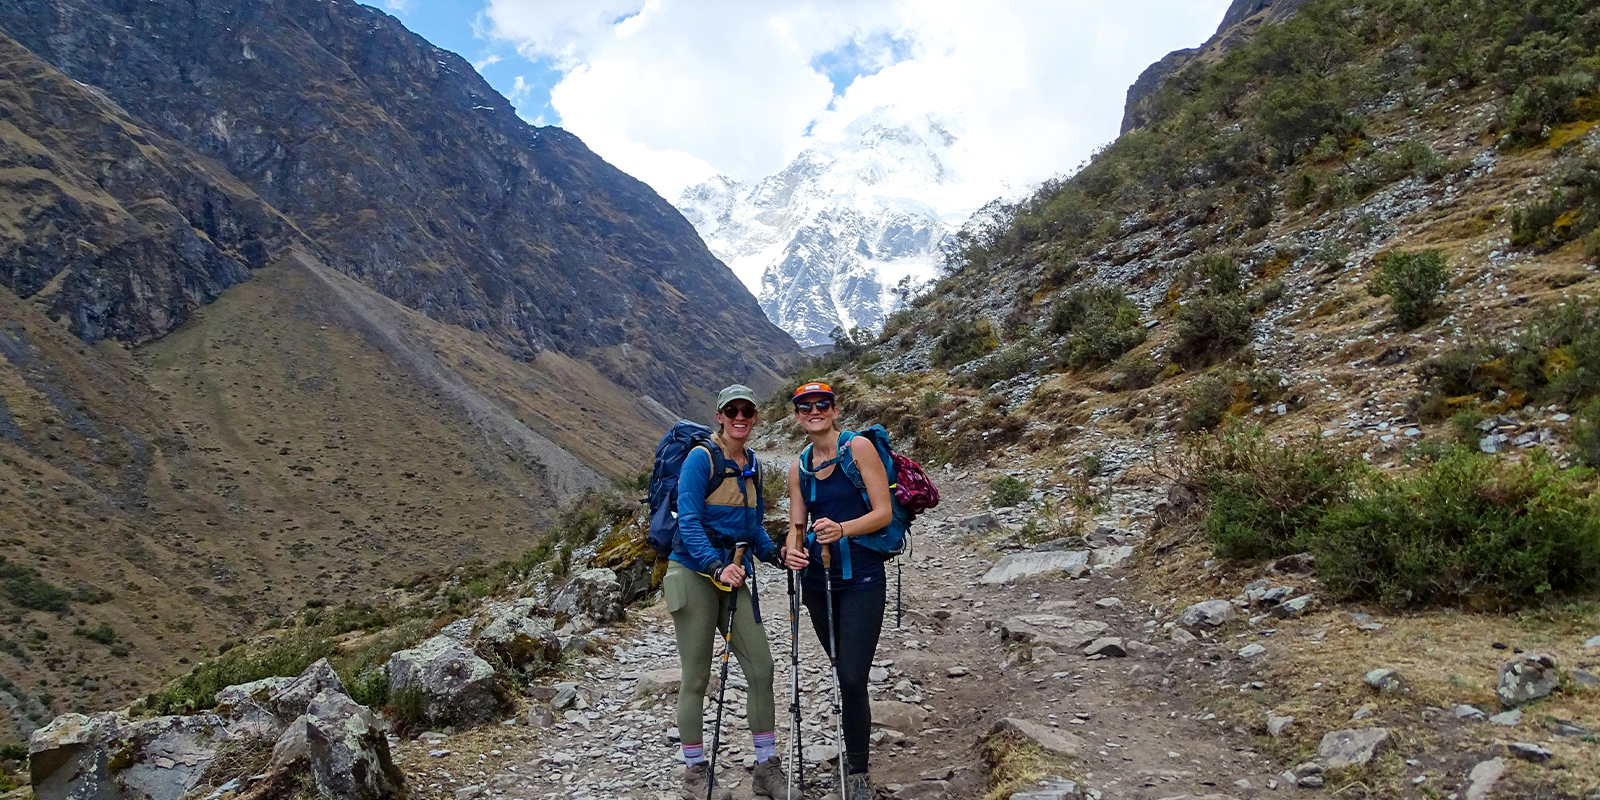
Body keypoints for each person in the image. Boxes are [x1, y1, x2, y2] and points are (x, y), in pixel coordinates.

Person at [669, 384, 808, 800]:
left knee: (761, 669)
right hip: (694, 574)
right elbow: (688, 521)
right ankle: (695, 775)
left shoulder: (753, 466)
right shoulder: (701, 458)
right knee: (696, 677)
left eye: (747, 411)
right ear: (720, 416)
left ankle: (766, 769)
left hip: (735, 577)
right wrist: (716, 565)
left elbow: (752, 530)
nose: (740, 417)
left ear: (755, 417)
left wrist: (779, 555)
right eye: (732, 411)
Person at [785, 381, 894, 800]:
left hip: (863, 576)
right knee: (839, 668)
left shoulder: (859, 449)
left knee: (852, 675)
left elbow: (883, 512)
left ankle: (858, 770)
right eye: (806, 406)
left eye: (822, 404)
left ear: (834, 409)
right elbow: (797, 525)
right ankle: (851, 759)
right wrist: (792, 551)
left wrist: (842, 529)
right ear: (797, 415)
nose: (815, 411)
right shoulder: (799, 468)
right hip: (817, 581)